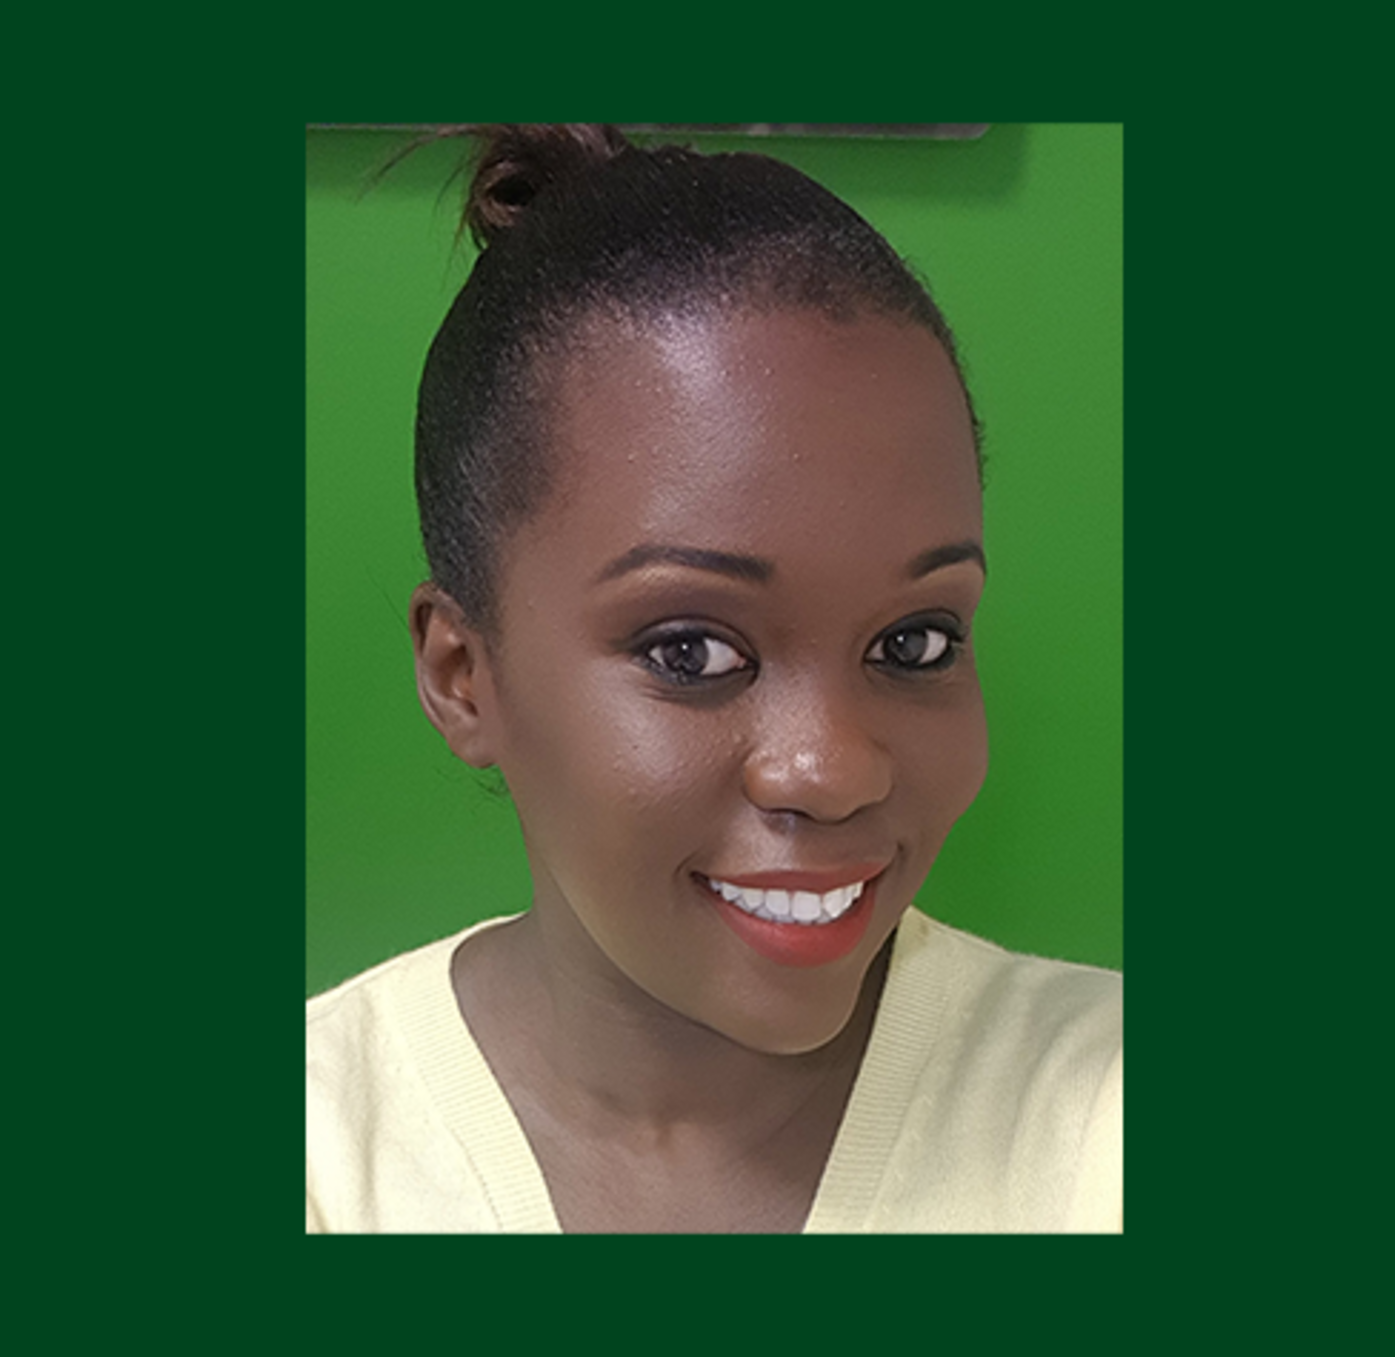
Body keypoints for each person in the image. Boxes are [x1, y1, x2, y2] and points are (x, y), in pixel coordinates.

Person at [305, 125, 1122, 1233]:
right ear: (462, 676)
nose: (831, 771)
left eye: (915, 643)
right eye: (690, 651)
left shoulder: (1097, 1114)